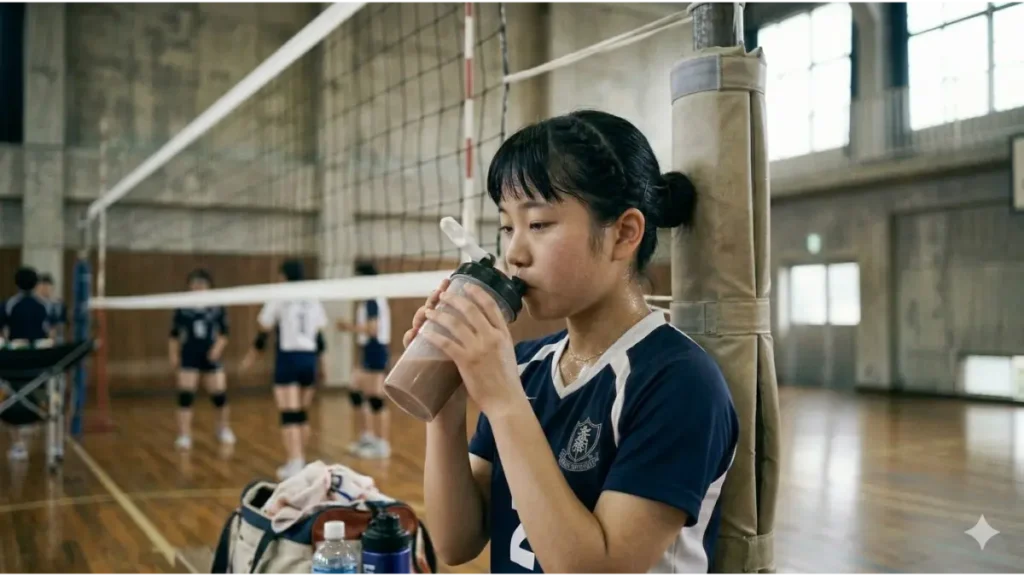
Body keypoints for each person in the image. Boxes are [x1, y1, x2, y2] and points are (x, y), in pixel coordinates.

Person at [416, 110, 739, 575]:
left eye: (540, 224)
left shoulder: (679, 381)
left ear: (624, 233)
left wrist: (504, 401)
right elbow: (456, 542)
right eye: (508, 226)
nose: (514, 253)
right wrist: (444, 411)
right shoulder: (525, 366)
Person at [241, 259, 328, 480]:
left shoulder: (280, 294)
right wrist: (324, 364)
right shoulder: (312, 297)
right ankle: (299, 460)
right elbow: (319, 336)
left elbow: (264, 330)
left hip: (289, 358)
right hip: (309, 359)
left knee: (289, 414)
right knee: (301, 414)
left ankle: (295, 462)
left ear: (283, 276)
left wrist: (251, 357)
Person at [168, 269, 234, 451]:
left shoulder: (216, 306)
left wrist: (217, 349)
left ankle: (223, 428)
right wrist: (173, 355)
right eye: (195, 283)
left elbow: (224, 333)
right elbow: (174, 334)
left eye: (202, 283)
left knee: (219, 394)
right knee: (186, 395)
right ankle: (184, 435)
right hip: (189, 353)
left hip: (210, 354)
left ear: (208, 286)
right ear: (190, 285)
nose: (198, 286)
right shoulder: (182, 306)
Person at [336, 261, 392, 459]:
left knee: (375, 398)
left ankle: (382, 444)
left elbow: (373, 328)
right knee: (356, 392)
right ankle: (367, 437)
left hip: (375, 348)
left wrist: (348, 327)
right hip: (369, 348)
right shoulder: (371, 298)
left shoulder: (372, 299)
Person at [0, 267, 52, 462]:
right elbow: (50, 333)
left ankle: (18, 444)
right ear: (36, 284)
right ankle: (44, 430)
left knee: (11, 397)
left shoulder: (8, 305)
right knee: (41, 394)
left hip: (15, 363)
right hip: (38, 363)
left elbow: (1, 332)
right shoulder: (44, 306)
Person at [35, 273, 67, 343]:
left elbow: (62, 324)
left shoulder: (59, 304)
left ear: (52, 287)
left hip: (56, 339)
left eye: (47, 286)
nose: (44, 289)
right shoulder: (34, 305)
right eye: (42, 286)